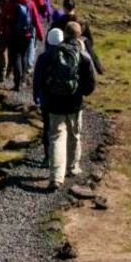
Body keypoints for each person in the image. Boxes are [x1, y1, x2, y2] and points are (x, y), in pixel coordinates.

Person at [36, 21, 96, 190]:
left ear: (65, 33)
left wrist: (46, 97)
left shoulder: (54, 53)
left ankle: (56, 177)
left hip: (54, 102)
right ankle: (72, 167)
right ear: (78, 36)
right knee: (75, 133)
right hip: (75, 102)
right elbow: (91, 82)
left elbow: (42, 79)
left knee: (56, 136)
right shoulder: (82, 54)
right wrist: (81, 92)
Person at [32, 27, 64, 168]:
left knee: (47, 127)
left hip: (46, 98)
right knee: (61, 129)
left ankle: (47, 157)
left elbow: (37, 79)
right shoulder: (67, 56)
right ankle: (62, 159)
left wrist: (36, 95)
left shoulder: (43, 58)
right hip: (63, 97)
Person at [1, 0, 39, 91]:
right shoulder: (30, 3)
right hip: (26, 35)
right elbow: (36, 20)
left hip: (13, 35)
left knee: (16, 57)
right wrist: (40, 35)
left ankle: (17, 83)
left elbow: (2, 18)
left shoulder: (10, 3)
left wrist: (1, 29)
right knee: (24, 56)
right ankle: (23, 80)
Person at [52, 0, 104, 75]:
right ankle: (99, 68)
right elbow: (90, 41)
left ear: (64, 7)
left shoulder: (57, 23)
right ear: (74, 7)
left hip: (61, 53)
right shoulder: (82, 22)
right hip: (79, 51)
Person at [21, 0, 49, 71]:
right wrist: (45, 12)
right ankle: (29, 64)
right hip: (33, 18)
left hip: (20, 19)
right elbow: (41, 4)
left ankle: (22, 61)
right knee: (32, 41)